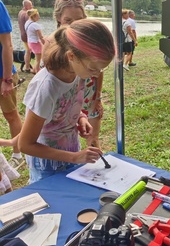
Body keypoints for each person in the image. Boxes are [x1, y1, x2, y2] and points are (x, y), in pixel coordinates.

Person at [18, 18, 115, 184]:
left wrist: (81, 117)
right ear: (71, 56)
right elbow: (25, 144)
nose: (96, 74)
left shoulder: (79, 72)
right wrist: (74, 157)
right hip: (47, 163)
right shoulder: (46, 88)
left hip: (70, 150)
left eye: (101, 69)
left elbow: (67, 104)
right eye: (93, 68)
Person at [52, 0, 104, 148]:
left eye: (79, 20)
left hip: (89, 97)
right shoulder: (52, 50)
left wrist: (98, 98)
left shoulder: (90, 43)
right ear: (59, 20)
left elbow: (99, 72)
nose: (74, 25)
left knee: (93, 139)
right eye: (68, 20)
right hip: (64, 106)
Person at [0, 0, 24, 169]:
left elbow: (7, 45)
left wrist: (7, 79)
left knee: (11, 115)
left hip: (2, 75)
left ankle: (18, 153)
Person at [24, 8, 45, 74]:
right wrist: (45, 43)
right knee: (38, 59)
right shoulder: (35, 25)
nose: (39, 17)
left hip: (30, 42)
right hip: (35, 42)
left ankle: (34, 69)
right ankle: (37, 71)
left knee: (37, 58)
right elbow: (41, 37)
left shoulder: (27, 23)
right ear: (34, 16)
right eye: (38, 16)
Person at [17, 0, 34, 73]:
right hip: (28, 36)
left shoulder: (20, 12)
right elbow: (31, 24)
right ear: (27, 6)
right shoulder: (26, 14)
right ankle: (27, 67)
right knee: (28, 52)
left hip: (23, 35)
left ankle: (27, 66)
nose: (32, 7)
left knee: (27, 51)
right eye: (31, 5)